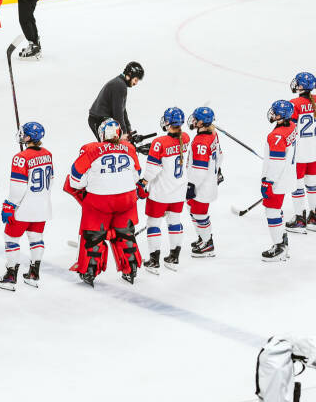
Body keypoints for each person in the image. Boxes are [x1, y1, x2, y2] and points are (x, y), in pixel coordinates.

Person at [65, 119, 144, 286]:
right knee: (125, 233)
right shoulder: (129, 148)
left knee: (94, 235)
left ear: (102, 134)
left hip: (99, 201)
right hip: (127, 200)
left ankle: (89, 270)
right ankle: (131, 267)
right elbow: (136, 175)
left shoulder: (91, 149)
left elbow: (74, 181)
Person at [0, 122, 53, 290]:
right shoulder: (48, 154)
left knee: (11, 238)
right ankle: (34, 274)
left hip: (24, 208)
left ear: (28, 137)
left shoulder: (21, 157)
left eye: (23, 134)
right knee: (36, 238)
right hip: (42, 206)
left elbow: (18, 187)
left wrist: (9, 205)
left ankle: (10, 275)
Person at [140, 107, 190, 273]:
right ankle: (174, 258)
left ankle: (154, 261)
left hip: (160, 193)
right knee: (174, 221)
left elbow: (153, 169)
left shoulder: (159, 143)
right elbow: (173, 149)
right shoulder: (186, 137)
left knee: (153, 223)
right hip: (179, 191)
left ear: (168, 122)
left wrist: (142, 182)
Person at [286, 72, 316, 233]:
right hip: (314, 151)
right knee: (312, 183)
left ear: (301, 86)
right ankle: (314, 218)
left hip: (299, 152)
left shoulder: (294, 104)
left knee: (297, 185)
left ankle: (300, 219)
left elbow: (290, 130)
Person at [259, 100, 296, 261]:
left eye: (276, 113)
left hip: (277, 180)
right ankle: (282, 238)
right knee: (276, 210)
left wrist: (268, 182)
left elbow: (277, 162)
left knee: (272, 211)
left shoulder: (276, 136)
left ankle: (279, 246)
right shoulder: (292, 126)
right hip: (288, 175)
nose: (272, 114)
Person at [186, 106, 221, 257]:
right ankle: (203, 237)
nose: (192, 120)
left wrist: (191, 185)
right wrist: (217, 170)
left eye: (195, 119)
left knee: (199, 214)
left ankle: (207, 244)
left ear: (201, 122)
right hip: (208, 181)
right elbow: (220, 156)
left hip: (202, 186)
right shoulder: (213, 134)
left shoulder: (201, 142)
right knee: (193, 210)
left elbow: (199, 170)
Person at [88, 61, 145, 138]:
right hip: (98, 120)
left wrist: (128, 129)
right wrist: (124, 132)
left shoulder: (120, 84)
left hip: (102, 119)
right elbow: (117, 112)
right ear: (129, 75)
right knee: (111, 147)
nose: (136, 83)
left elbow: (122, 110)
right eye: (135, 80)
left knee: (117, 145)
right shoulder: (119, 85)